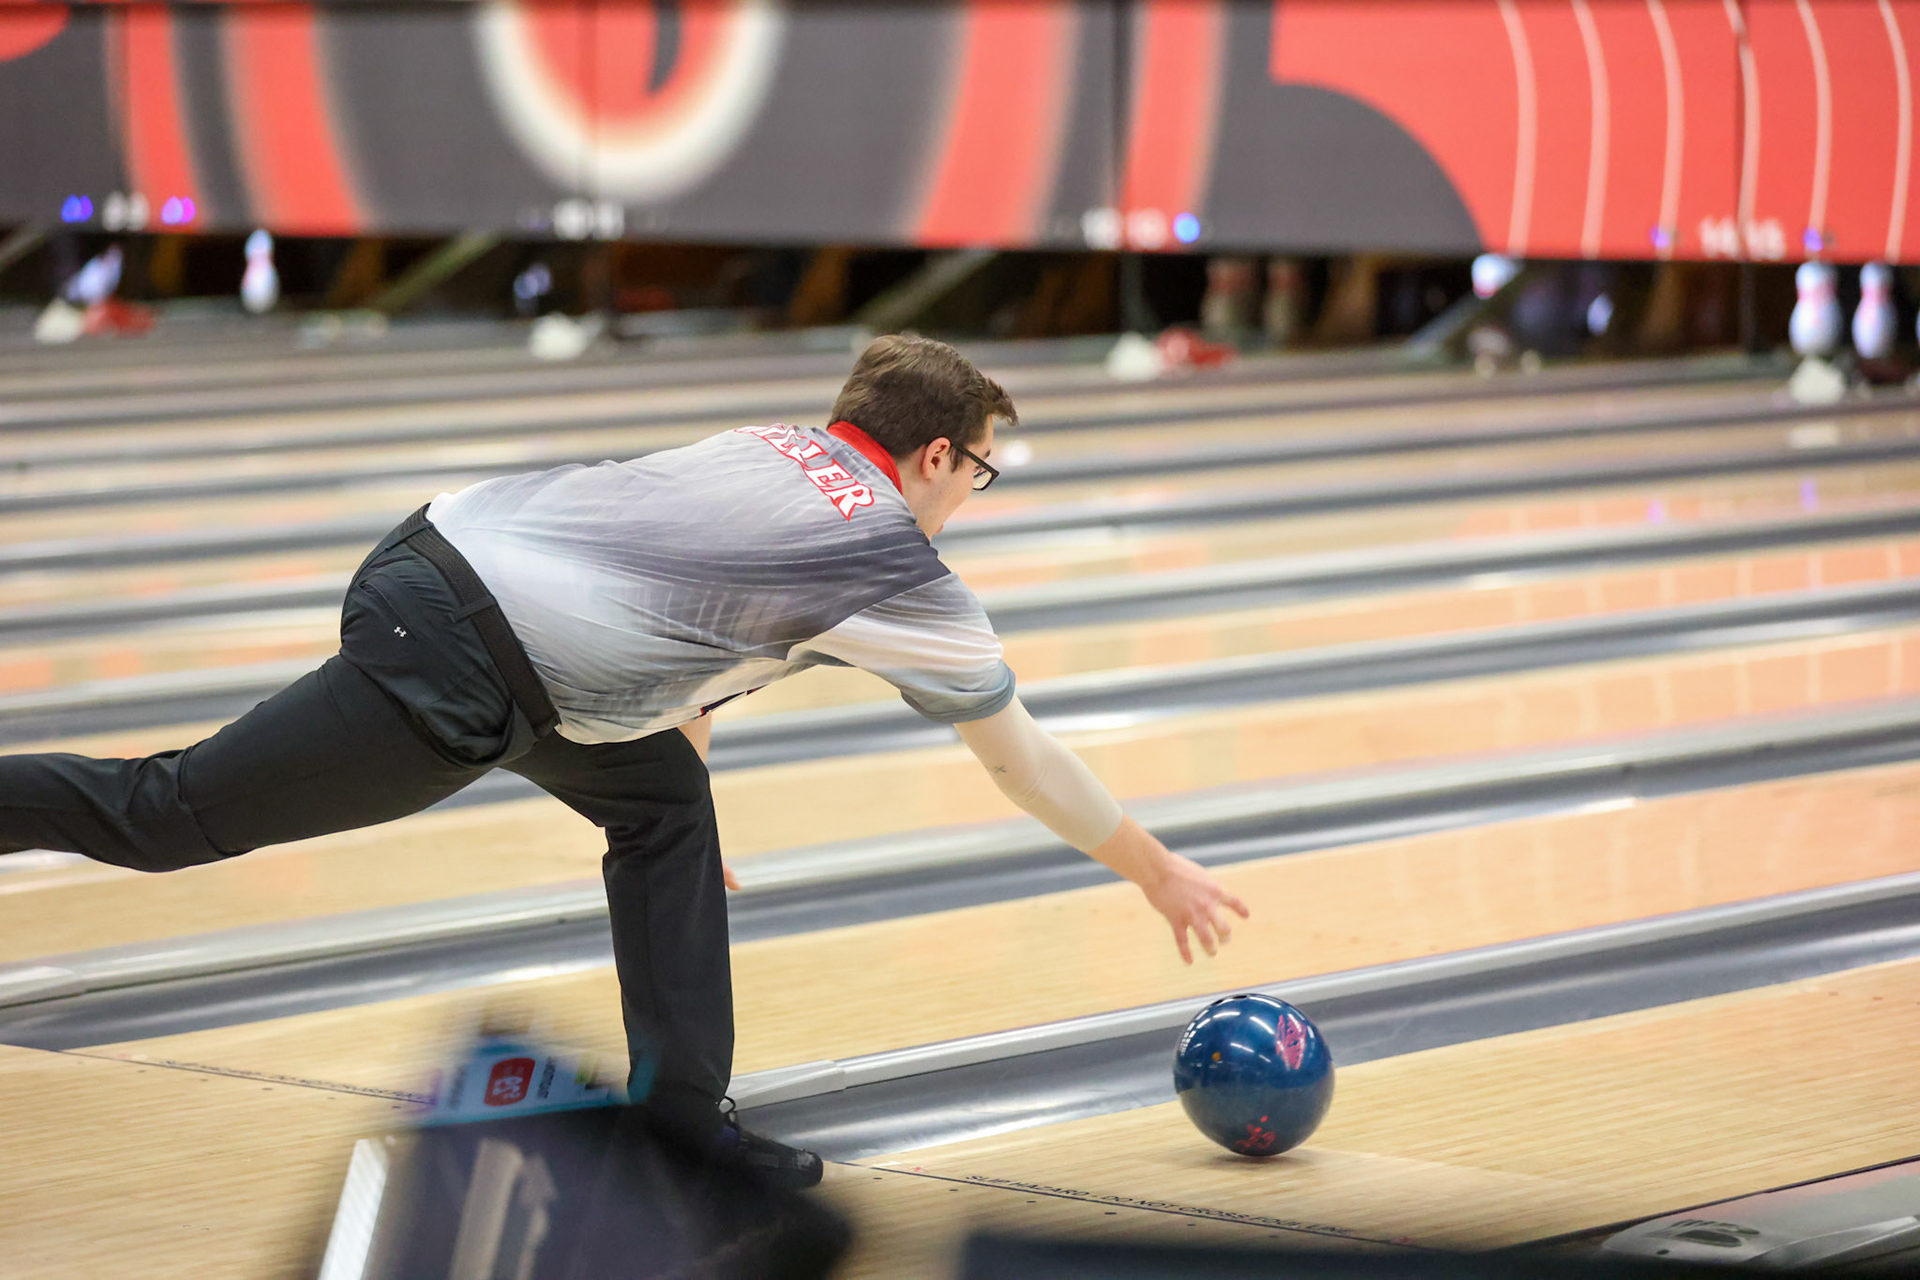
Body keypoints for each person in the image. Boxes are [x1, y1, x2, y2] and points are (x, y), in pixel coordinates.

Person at [0, 334, 1250, 1187]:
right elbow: (1019, 761)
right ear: (935, 457)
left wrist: (694, 774)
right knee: (170, 812)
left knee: (665, 811)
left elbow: (680, 629)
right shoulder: (890, 560)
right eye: (980, 468)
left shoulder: (771, 445)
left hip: (453, 572)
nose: (973, 493)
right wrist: (1154, 869)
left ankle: (681, 1124)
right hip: (465, 660)